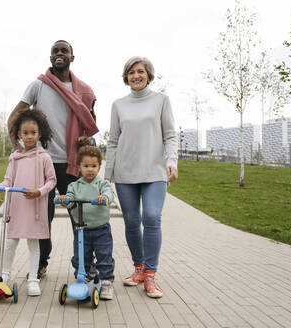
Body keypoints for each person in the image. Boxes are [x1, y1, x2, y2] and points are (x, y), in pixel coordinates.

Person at [8, 40, 99, 278]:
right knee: (42, 218)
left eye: (64, 51)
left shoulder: (85, 91)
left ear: (72, 57)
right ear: (50, 58)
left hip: (72, 162)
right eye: (55, 51)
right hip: (42, 162)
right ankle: (41, 264)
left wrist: (87, 140)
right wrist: (16, 146)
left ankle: (85, 264)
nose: (59, 54)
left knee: (79, 215)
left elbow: (89, 127)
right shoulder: (39, 85)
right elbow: (16, 114)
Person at [105, 56, 178, 298]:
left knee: (152, 217)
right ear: (126, 77)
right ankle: (138, 267)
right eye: (131, 72)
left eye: (141, 71)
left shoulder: (161, 101)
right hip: (125, 172)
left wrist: (171, 161)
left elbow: (170, 135)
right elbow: (113, 140)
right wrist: (108, 174)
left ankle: (150, 274)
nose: (136, 75)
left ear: (148, 74)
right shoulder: (118, 105)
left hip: (155, 171)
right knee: (132, 221)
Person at [0, 108, 56, 296]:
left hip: (35, 206)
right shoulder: (14, 158)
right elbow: (8, 181)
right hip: (17, 207)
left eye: (33, 133)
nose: (30, 137)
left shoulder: (44, 157)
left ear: (39, 133)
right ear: (19, 134)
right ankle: (5, 275)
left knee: (34, 244)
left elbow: (52, 181)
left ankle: (33, 278)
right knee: (10, 243)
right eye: (25, 133)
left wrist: (39, 192)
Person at [57, 142, 115, 300]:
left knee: (104, 256)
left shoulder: (102, 184)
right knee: (80, 257)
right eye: (86, 165)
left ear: (99, 167)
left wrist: (104, 198)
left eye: (94, 166)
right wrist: (64, 199)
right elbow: (69, 200)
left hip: (101, 229)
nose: (90, 169)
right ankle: (83, 278)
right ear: (79, 167)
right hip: (81, 229)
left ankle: (107, 282)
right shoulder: (74, 186)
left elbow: (109, 194)